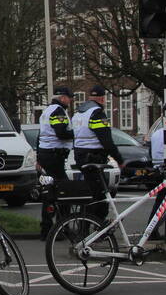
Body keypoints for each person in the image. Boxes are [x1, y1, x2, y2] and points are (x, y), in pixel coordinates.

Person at [72, 85, 123, 221]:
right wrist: (120, 159)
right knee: (101, 195)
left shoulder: (78, 113)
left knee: (92, 193)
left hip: (80, 156)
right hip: (93, 158)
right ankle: (97, 226)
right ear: (102, 98)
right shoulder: (97, 113)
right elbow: (106, 140)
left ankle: (86, 226)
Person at [36, 86, 75, 238]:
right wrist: (77, 132)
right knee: (64, 191)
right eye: (69, 97)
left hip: (47, 155)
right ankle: (60, 227)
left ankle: (47, 228)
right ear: (63, 97)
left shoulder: (47, 111)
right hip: (54, 157)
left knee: (49, 192)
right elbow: (61, 133)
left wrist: (39, 157)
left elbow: (41, 136)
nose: (70, 100)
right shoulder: (58, 111)